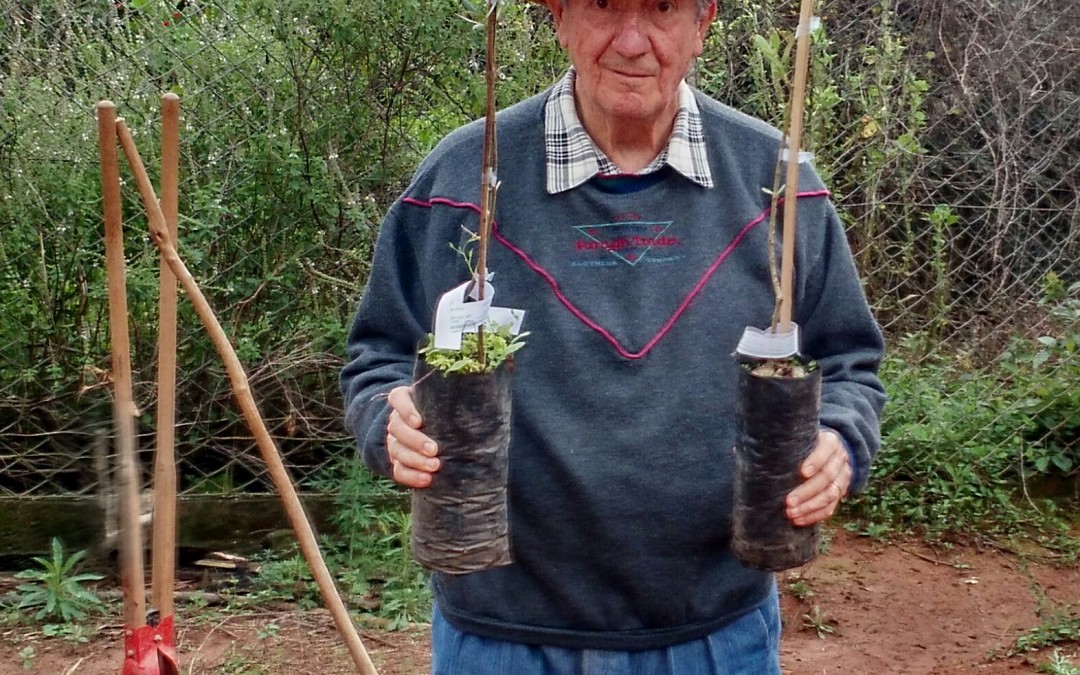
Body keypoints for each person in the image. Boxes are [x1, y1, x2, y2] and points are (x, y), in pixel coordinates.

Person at [340, 0, 886, 672]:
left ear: (703, 22)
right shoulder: (463, 178)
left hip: (713, 637)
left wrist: (836, 439)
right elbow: (379, 352)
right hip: (503, 637)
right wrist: (388, 422)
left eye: (661, 8)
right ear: (558, 15)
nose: (633, 41)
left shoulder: (775, 180)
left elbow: (850, 360)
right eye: (603, 5)